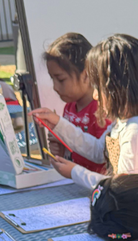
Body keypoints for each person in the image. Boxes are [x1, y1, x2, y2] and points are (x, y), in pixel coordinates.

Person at [30, 34, 138, 191]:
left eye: (98, 87)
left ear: (117, 88)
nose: (95, 95)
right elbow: (97, 150)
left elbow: (122, 187)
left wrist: (75, 172)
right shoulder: (122, 123)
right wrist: (57, 124)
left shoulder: (137, 130)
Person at [41, 32, 108, 175]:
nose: (55, 87)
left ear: (86, 75)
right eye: (52, 79)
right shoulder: (69, 107)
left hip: (96, 183)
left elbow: (103, 155)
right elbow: (71, 153)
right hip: (76, 181)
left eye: (61, 79)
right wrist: (60, 149)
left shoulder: (101, 110)